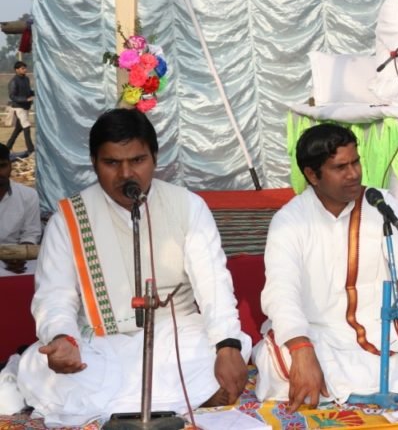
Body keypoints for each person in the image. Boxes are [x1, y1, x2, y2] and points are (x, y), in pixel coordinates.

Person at [15, 109, 250, 426]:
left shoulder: (188, 206)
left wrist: (227, 346)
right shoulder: (68, 219)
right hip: (97, 343)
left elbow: (214, 285)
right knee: (38, 367)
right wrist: (62, 339)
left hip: (175, 336)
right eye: (112, 163)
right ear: (94, 162)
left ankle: (148, 401)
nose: (126, 174)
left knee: (223, 348)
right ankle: (189, 397)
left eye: (137, 160)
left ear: (155, 157)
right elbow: (55, 295)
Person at [253, 123, 398, 409]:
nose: (354, 173)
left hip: (384, 337)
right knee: (279, 360)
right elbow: (281, 293)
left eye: (356, 162)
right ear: (312, 175)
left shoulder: (381, 205)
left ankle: (340, 389)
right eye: (340, 167)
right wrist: (301, 349)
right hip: (319, 337)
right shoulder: (289, 220)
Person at [0, 143, 41, 275]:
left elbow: (31, 233)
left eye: (2, 166)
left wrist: (20, 256)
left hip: (18, 256)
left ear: (10, 166)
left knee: (44, 269)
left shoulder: (28, 195)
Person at [7, 60, 34, 155]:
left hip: (25, 106)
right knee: (26, 125)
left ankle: (7, 148)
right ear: (16, 70)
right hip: (18, 107)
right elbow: (12, 96)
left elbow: (28, 91)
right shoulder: (13, 81)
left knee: (18, 129)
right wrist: (26, 99)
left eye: (25, 68)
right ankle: (31, 150)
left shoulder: (26, 79)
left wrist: (34, 93)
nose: (25, 70)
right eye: (22, 68)